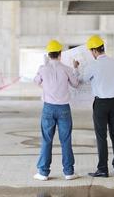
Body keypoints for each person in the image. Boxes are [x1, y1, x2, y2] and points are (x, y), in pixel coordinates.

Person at [74, 35, 114, 177]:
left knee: (101, 136)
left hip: (101, 103)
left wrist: (76, 68)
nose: (91, 54)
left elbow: (80, 81)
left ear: (95, 51)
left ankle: (102, 169)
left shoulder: (93, 66)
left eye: (91, 51)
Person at [33, 40, 79, 181]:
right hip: (64, 108)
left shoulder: (43, 68)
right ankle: (69, 172)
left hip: (48, 108)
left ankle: (43, 173)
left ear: (48, 54)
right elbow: (76, 84)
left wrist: (45, 84)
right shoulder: (67, 69)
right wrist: (75, 68)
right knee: (66, 140)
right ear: (60, 54)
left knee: (47, 140)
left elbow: (36, 81)